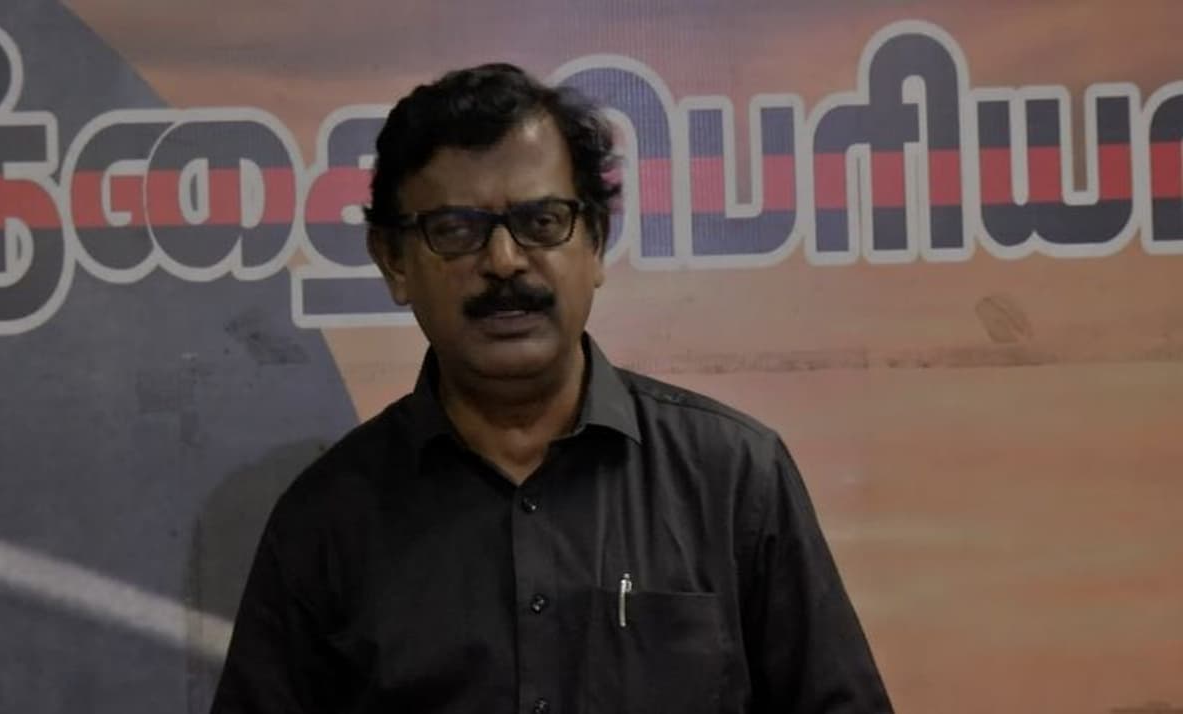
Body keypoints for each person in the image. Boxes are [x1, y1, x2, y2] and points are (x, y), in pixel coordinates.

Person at [211, 63, 892, 714]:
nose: (504, 261)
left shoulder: (734, 480)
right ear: (393, 262)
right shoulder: (327, 521)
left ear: (594, 241)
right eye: (456, 230)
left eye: (541, 223)